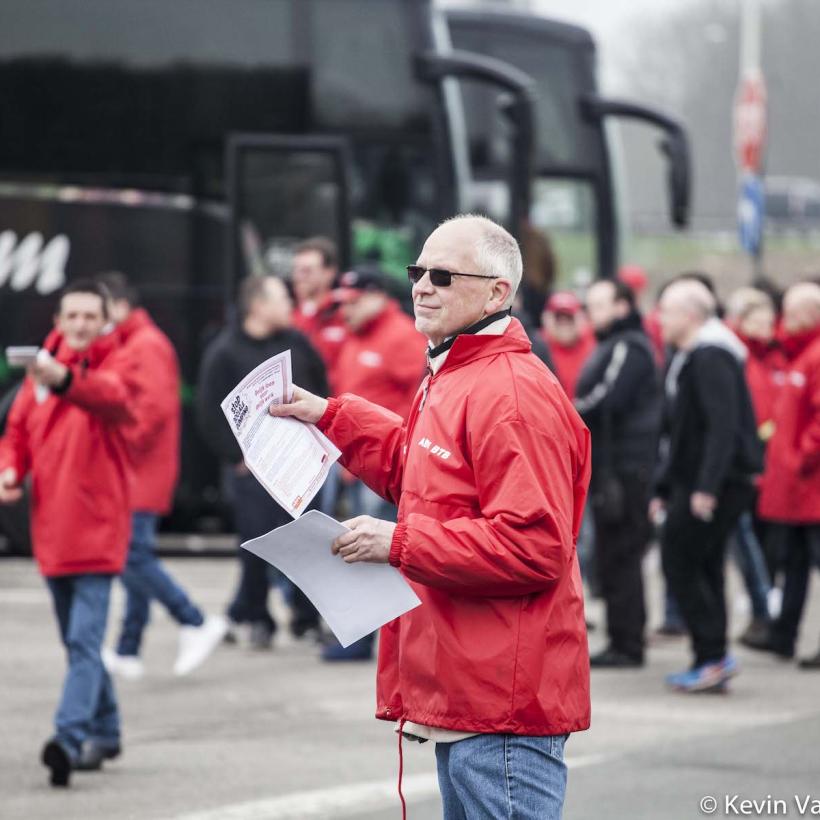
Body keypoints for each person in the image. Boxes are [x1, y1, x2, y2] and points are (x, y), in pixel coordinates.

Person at [271, 214, 591, 820]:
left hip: (501, 703)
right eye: (418, 271)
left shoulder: (509, 395)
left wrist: (400, 541)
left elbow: (534, 547)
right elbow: (419, 472)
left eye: (443, 275)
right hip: (474, 690)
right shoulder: (458, 371)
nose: (421, 286)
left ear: (498, 292)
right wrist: (332, 417)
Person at [0, 281, 135, 786]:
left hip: (99, 532)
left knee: (81, 641)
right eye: (71, 316)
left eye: (89, 317)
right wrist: (10, 470)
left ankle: (68, 737)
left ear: (104, 322)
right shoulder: (39, 376)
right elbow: (15, 434)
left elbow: (113, 400)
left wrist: (61, 379)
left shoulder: (114, 366)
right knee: (77, 643)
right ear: (57, 321)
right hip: (51, 529)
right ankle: (108, 728)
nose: (79, 325)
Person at [95, 273, 226, 680]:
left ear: (117, 306)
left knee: (132, 555)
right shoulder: (133, 342)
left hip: (139, 469)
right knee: (136, 554)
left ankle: (194, 619)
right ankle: (127, 649)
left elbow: (149, 412)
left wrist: (115, 446)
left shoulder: (143, 345)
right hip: (138, 468)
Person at [197, 275, 328, 648]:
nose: (291, 304)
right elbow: (208, 413)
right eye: (282, 298)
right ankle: (257, 618)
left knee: (307, 543)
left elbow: (323, 386)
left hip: (300, 465)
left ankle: (306, 619)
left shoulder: (296, 342)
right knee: (256, 545)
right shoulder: (224, 351)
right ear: (258, 305)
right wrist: (235, 458)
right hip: (252, 472)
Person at [651, 279, 763, 693]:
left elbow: (721, 428)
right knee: (704, 564)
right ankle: (711, 657)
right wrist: (663, 488)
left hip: (714, 483)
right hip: (694, 481)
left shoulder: (712, 355)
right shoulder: (691, 355)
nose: (660, 319)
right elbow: (680, 433)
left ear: (691, 315)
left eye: (666, 311)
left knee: (680, 560)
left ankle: (712, 654)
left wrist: (706, 488)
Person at [320, 266, 427, 660]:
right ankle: (359, 633)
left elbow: (422, 394)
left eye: (352, 303)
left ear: (377, 296)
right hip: (355, 462)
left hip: (389, 463)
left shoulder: (400, 336)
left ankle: (366, 637)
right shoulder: (354, 337)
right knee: (357, 551)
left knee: (374, 553)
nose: (344, 312)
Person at [574, 279, 661, 668]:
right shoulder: (616, 346)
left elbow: (608, 399)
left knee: (623, 554)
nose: (590, 314)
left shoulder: (630, 346)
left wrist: (564, 412)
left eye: (598, 305)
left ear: (623, 306)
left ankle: (628, 643)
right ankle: (622, 637)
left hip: (627, 468)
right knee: (613, 555)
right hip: (616, 467)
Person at [754, 283, 820, 668]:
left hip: (809, 484)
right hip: (799, 487)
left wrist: (800, 459)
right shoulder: (800, 355)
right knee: (793, 561)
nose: (784, 323)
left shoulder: (812, 357)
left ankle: (785, 635)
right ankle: (783, 636)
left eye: (793, 315)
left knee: (805, 560)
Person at [724, 287, 783, 645]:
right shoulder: (737, 355)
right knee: (744, 538)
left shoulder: (774, 357)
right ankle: (762, 608)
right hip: (745, 459)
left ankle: (763, 609)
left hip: (768, 459)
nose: (767, 326)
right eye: (758, 319)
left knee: (751, 540)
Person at [290, 236, 346, 388]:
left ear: (329, 272)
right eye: (296, 270)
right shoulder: (289, 318)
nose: (299, 277)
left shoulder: (345, 314)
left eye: (307, 271)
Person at [540, 291, 595, 399]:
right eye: (559, 320)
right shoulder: (536, 347)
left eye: (569, 319)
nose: (564, 326)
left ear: (581, 318)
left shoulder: (594, 345)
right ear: (547, 319)